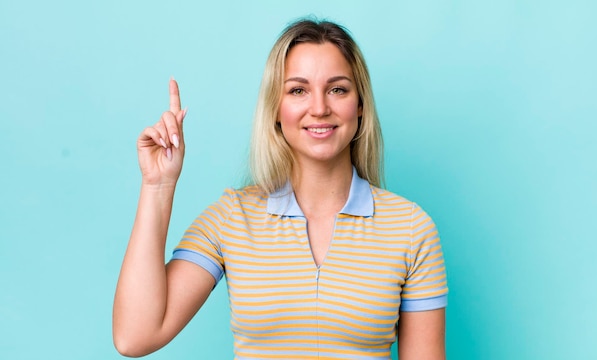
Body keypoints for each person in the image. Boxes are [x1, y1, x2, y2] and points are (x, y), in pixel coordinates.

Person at [113, 19, 448, 359]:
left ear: (360, 105)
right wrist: (158, 185)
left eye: (337, 89)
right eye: (298, 90)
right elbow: (135, 336)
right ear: (276, 108)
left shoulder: (411, 229)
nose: (319, 108)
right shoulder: (232, 217)